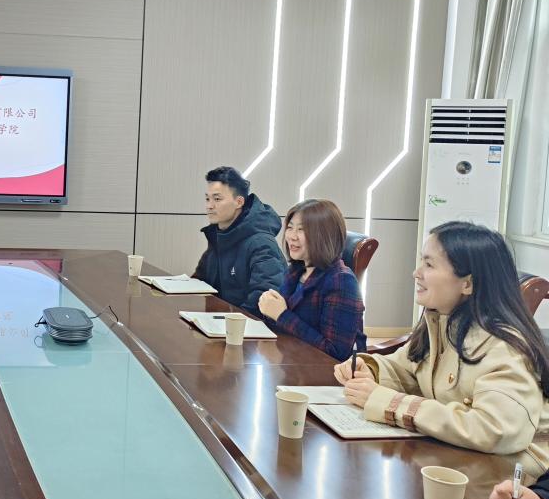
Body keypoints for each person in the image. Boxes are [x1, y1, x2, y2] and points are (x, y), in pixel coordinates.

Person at [335, 221, 549, 474]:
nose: (416, 273)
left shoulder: (504, 345)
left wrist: (389, 403)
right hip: (460, 456)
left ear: (467, 283)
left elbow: (494, 429)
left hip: (510, 476)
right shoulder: (441, 321)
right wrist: (370, 369)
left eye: (429, 264)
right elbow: (407, 368)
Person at [258, 199, 364, 360]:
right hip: (292, 362)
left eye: (301, 230)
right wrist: (268, 309)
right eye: (290, 227)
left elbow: (335, 353)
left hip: (324, 371)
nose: (292, 236)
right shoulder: (296, 270)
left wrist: (281, 315)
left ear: (324, 236)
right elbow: (282, 324)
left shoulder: (342, 281)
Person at [192, 166, 285, 314]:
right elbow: (199, 282)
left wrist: (231, 323)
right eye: (207, 199)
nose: (209, 206)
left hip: (247, 325)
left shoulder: (261, 243)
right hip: (219, 320)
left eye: (217, 199)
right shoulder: (219, 236)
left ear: (239, 202)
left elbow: (265, 298)